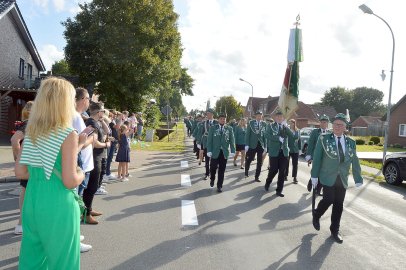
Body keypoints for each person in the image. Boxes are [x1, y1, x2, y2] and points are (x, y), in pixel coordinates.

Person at [15, 77, 85, 269]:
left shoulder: (32, 131)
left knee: (32, 260)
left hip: (32, 200)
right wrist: (81, 173)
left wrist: (41, 174)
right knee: (64, 263)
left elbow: (20, 171)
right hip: (58, 204)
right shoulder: (67, 133)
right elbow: (70, 181)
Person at [311, 113, 363, 243]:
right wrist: (314, 176)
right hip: (327, 176)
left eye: (340, 125)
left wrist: (358, 178)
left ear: (345, 127)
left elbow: (355, 161)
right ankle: (317, 214)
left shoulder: (351, 142)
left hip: (342, 178)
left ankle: (335, 230)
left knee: (339, 205)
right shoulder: (323, 139)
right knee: (328, 199)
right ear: (332, 125)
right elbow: (317, 159)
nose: (337, 127)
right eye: (335, 124)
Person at [73, 87, 94, 253]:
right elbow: (76, 144)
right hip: (79, 165)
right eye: (87, 98)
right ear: (81, 99)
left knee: (77, 202)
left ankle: (74, 234)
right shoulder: (74, 117)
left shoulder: (78, 117)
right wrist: (91, 138)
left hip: (84, 165)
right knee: (76, 204)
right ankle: (73, 239)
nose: (89, 101)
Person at [83, 102, 111, 224]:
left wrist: (102, 119)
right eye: (102, 112)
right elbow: (94, 143)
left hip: (98, 157)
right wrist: (106, 144)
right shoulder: (91, 123)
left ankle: (88, 209)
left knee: (94, 186)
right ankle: (86, 213)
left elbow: (107, 131)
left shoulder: (96, 122)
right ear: (99, 112)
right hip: (94, 158)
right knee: (91, 187)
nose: (103, 114)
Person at [11, 101, 33, 235]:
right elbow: (14, 140)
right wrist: (19, 158)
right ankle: (21, 223)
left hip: (28, 162)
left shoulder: (26, 123)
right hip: (29, 163)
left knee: (25, 192)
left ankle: (22, 223)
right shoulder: (28, 124)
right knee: (26, 192)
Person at [264, 109, 293, 197]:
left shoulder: (285, 126)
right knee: (274, 170)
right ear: (275, 117)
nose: (280, 118)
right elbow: (266, 135)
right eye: (278, 116)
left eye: (281, 117)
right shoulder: (271, 126)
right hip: (274, 152)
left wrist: (286, 127)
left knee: (282, 172)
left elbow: (292, 135)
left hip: (284, 152)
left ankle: (279, 190)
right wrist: (277, 138)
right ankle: (268, 182)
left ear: (283, 118)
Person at [207, 113, 236, 192]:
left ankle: (219, 186)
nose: (223, 120)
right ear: (218, 119)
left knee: (222, 170)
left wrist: (233, 151)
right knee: (213, 168)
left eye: (224, 119)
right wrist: (209, 150)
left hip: (224, 152)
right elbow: (209, 140)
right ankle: (212, 179)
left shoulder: (229, 128)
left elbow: (232, 140)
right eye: (221, 119)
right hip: (214, 152)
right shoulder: (213, 128)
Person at [306, 114, 331, 195]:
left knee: (323, 174)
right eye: (322, 122)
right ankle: (311, 182)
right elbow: (311, 144)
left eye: (325, 122)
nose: (323, 124)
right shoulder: (315, 132)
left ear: (327, 123)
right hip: (316, 157)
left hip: (326, 158)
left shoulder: (330, 133)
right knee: (316, 171)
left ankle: (318, 190)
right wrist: (309, 155)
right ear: (320, 123)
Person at [244, 111, 267, 182]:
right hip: (252, 144)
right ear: (255, 116)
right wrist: (247, 144)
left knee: (259, 161)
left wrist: (265, 146)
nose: (259, 117)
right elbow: (247, 134)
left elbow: (265, 136)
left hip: (260, 144)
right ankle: (246, 170)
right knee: (250, 159)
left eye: (260, 115)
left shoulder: (264, 124)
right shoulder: (251, 123)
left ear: (262, 116)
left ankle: (257, 176)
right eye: (257, 115)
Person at [196, 108, 218, 179]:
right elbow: (201, 133)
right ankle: (207, 174)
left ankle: (212, 172)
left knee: (213, 159)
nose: (207, 115)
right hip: (206, 143)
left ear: (212, 114)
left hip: (214, 143)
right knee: (207, 159)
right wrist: (199, 142)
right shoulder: (204, 123)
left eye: (208, 114)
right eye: (207, 114)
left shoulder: (216, 122)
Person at [285, 119, 300, 184]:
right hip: (288, 149)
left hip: (295, 150)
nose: (291, 124)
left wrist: (300, 149)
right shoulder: (287, 130)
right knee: (286, 163)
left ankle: (294, 177)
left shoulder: (298, 131)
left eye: (292, 123)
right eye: (290, 123)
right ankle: (285, 175)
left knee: (295, 164)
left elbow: (299, 140)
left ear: (294, 123)